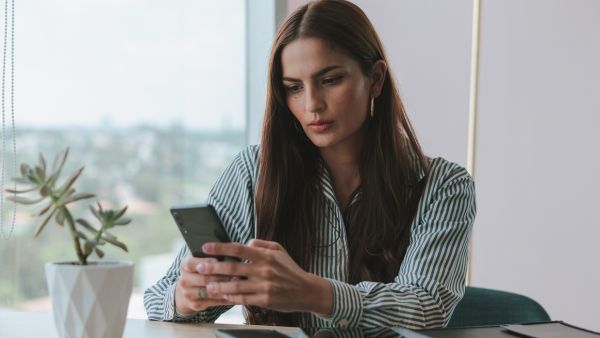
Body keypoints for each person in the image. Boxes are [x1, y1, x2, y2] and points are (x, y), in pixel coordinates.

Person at [144, 0, 476, 330]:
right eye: (294, 88)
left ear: (375, 79)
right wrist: (188, 298)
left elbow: (426, 305)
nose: (312, 104)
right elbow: (159, 300)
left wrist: (311, 293)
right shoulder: (254, 172)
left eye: (330, 80)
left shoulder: (443, 185)